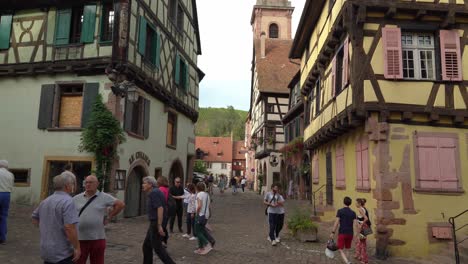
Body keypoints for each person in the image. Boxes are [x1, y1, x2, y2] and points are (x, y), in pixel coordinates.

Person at [72, 175, 125, 264]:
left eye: (91, 182)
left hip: (97, 237)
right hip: (80, 238)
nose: (88, 184)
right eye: (86, 182)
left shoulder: (104, 197)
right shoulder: (76, 198)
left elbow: (120, 204)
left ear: (97, 184)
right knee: (78, 262)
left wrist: (109, 216)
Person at [32, 172, 81, 264]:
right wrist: (77, 248)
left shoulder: (45, 201)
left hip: (46, 250)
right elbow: (69, 227)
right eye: (72, 184)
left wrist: (47, 229)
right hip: (63, 253)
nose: (73, 187)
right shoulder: (68, 201)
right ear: (67, 186)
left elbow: (34, 218)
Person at [141, 176, 175, 264]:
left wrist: (159, 225)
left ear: (150, 184)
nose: (143, 185)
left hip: (156, 222)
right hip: (155, 222)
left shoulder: (154, 193)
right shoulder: (156, 191)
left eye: (144, 183)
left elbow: (160, 208)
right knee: (147, 246)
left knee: (158, 248)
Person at [330, 196, 357, 264]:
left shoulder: (340, 211)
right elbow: (355, 225)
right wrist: (356, 235)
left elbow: (336, 223)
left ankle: (347, 262)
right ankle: (346, 261)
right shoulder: (353, 213)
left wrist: (333, 232)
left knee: (340, 249)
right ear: (350, 203)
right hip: (350, 233)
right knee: (347, 248)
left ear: (343, 202)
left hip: (342, 232)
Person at [194, 182, 215, 255]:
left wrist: (196, 214)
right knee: (201, 231)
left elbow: (199, 205)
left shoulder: (199, 194)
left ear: (197, 188)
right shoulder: (207, 195)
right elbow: (209, 206)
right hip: (206, 215)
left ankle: (207, 244)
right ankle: (201, 248)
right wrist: (209, 213)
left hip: (200, 215)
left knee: (198, 232)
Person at [0, 160, 14, 245]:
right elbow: (11, 185)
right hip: (7, 194)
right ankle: (2, 237)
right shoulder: (10, 174)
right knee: (3, 216)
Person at [354, 198, 370, 264]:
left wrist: (361, 225)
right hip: (365, 227)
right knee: (361, 242)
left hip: (363, 227)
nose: (355, 204)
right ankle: (359, 256)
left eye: (356, 203)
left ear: (359, 203)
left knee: (362, 243)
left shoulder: (360, 209)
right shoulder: (363, 208)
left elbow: (366, 218)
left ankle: (364, 260)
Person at [157, 176, 170, 245]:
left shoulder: (161, 189)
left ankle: (161, 242)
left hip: (162, 210)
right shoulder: (166, 189)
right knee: (163, 226)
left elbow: (160, 201)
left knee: (160, 227)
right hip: (166, 209)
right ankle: (164, 240)